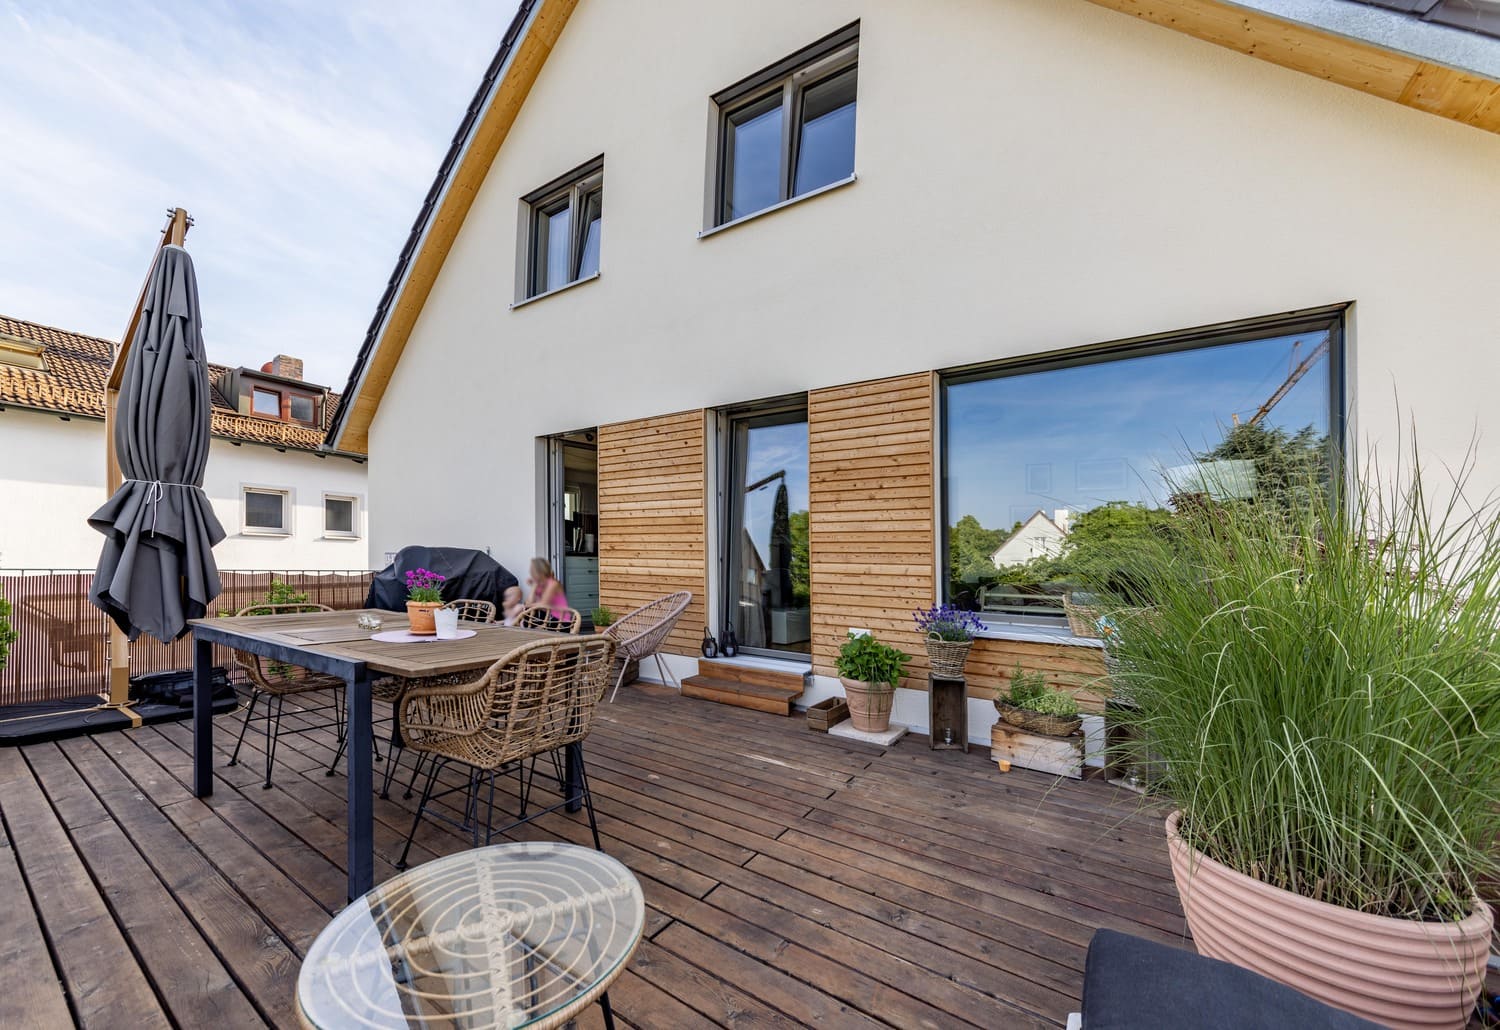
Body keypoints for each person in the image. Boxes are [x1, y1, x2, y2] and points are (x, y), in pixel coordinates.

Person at [526, 557, 572, 623]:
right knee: (527, 618)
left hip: (560, 620)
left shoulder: (553, 584)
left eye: (531, 570)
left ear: (538, 571)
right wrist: (534, 586)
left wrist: (534, 585)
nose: (530, 572)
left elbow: (543, 605)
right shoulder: (539, 584)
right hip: (548, 618)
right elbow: (528, 604)